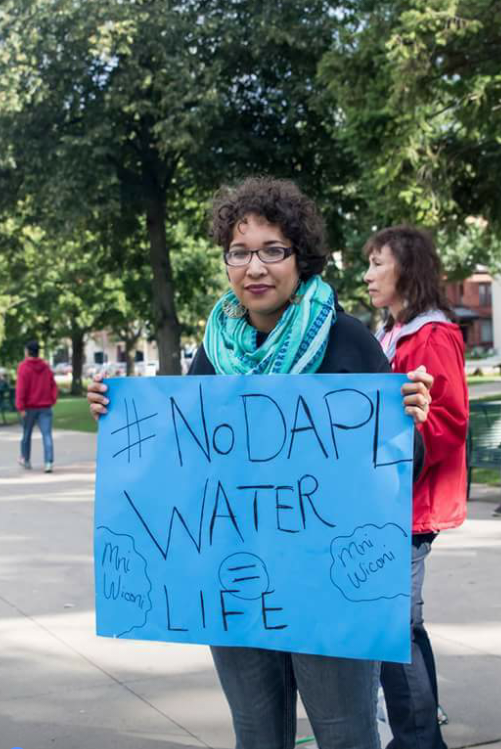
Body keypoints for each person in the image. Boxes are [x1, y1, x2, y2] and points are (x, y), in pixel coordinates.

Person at [88, 178, 433, 749]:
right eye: (240, 252)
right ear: (226, 260)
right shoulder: (214, 352)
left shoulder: (347, 341)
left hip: (326, 586)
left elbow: (396, 470)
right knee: (255, 734)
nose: (256, 267)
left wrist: (408, 420)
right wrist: (118, 417)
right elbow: (180, 462)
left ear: (300, 257)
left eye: (273, 250)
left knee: (346, 735)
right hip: (235, 584)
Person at [364, 226, 469, 749]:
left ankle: (417, 741)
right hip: (390, 505)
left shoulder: (433, 336)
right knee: (400, 627)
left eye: (376, 263)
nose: (366, 274)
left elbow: (447, 422)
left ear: (406, 268)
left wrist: (393, 464)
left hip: (410, 507)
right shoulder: (391, 335)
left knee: (393, 630)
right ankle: (420, 738)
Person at [16, 340, 58, 472]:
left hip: (29, 407)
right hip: (45, 407)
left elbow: (21, 388)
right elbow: (53, 385)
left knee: (26, 434)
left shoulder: (23, 367)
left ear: (28, 351)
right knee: (47, 435)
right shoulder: (46, 367)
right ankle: (48, 462)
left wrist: (20, 406)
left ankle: (25, 459)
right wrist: (52, 399)